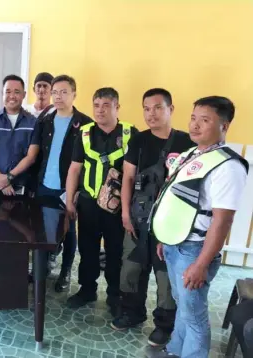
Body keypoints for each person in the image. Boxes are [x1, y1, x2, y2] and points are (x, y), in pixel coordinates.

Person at [147, 96, 249, 358]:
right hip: (175, 245)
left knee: (194, 317)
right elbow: (176, 201)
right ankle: (174, 351)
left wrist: (201, 264)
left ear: (224, 126)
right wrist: (165, 237)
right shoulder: (193, 154)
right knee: (183, 307)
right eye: (193, 118)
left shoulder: (228, 166)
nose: (195, 125)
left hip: (194, 250)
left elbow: (222, 220)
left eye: (205, 120)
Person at [111, 89, 195, 347]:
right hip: (138, 217)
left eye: (157, 107)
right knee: (132, 268)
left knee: (165, 275)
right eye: (146, 108)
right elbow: (126, 178)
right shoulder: (138, 141)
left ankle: (164, 325)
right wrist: (125, 213)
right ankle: (132, 313)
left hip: (170, 223)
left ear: (171, 109)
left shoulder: (186, 142)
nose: (151, 114)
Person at [65, 87, 138, 311]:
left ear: (117, 107)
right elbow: (74, 169)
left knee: (116, 252)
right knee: (87, 250)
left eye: (106, 105)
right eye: (96, 105)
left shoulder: (129, 133)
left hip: (116, 207)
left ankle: (114, 295)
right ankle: (87, 289)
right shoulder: (85, 133)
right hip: (88, 203)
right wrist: (69, 201)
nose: (100, 110)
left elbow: (133, 173)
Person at [36, 75, 92, 292]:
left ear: (74, 94)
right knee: (43, 229)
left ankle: (66, 270)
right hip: (44, 185)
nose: (58, 97)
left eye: (64, 92)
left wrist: (77, 190)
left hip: (67, 188)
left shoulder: (85, 124)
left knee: (68, 230)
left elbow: (86, 163)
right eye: (55, 92)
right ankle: (47, 264)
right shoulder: (45, 120)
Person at [0, 75, 40, 198]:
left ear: (24, 95)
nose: (12, 96)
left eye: (17, 92)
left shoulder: (33, 122)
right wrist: (1, 179)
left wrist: (8, 177)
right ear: (2, 93)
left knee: (21, 217)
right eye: (8, 92)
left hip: (23, 185)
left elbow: (31, 156)